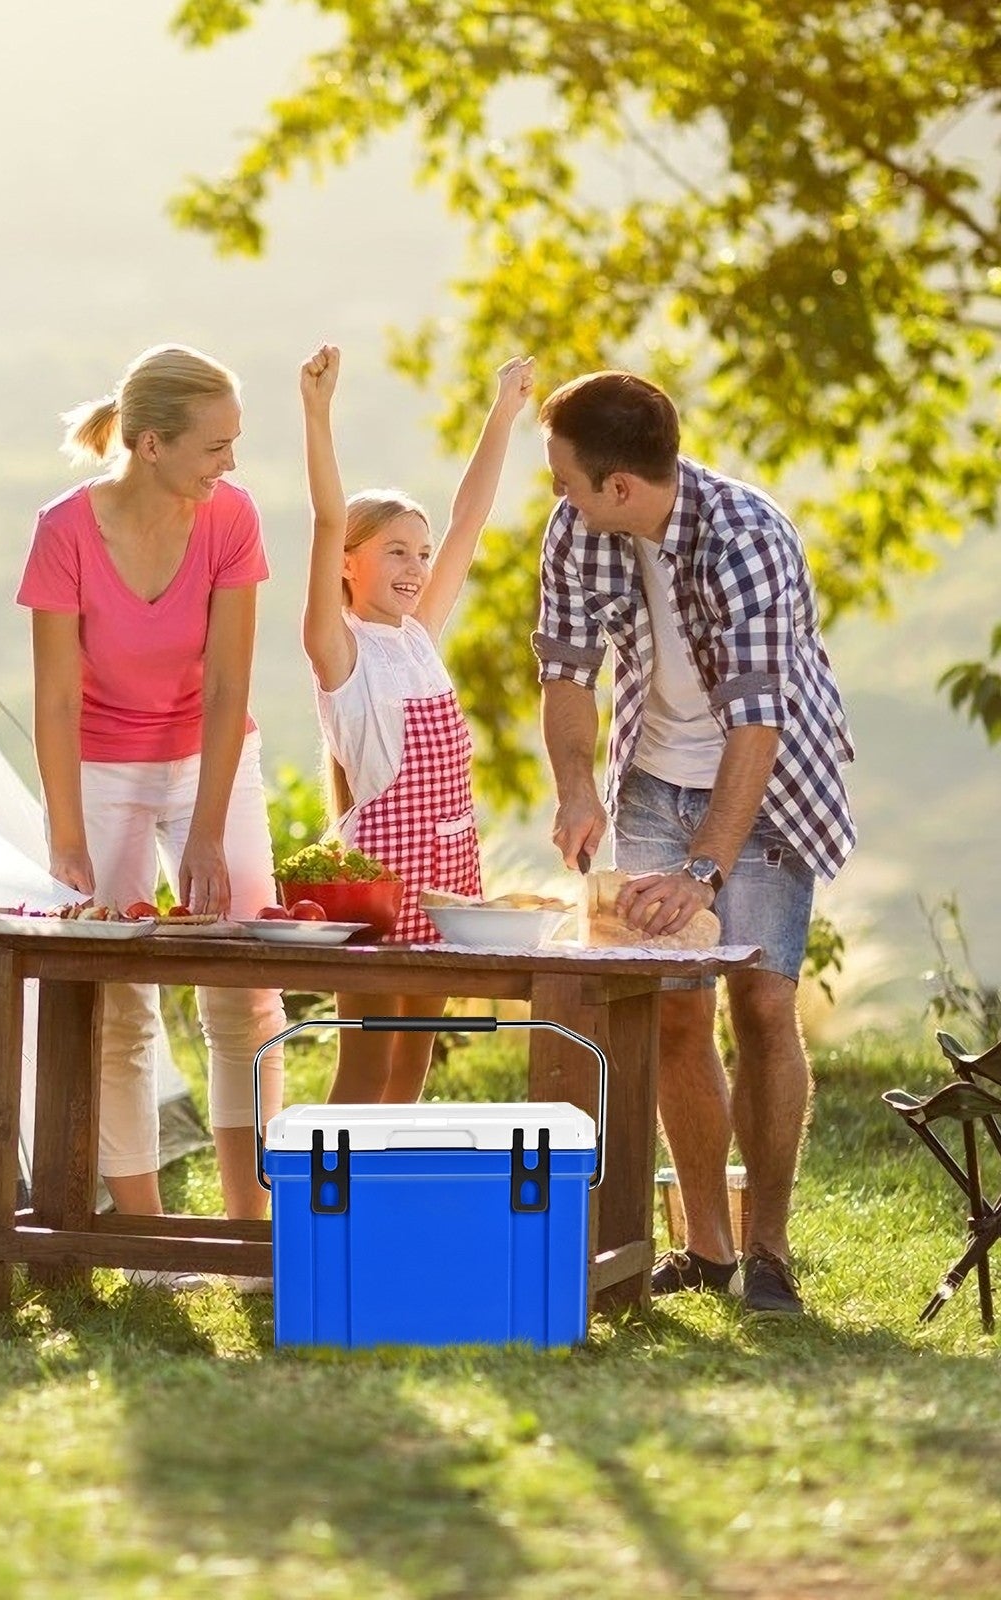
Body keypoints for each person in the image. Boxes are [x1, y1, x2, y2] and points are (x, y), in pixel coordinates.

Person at [532, 370, 856, 1316]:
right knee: (674, 1010)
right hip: (650, 781)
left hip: (765, 787)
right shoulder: (578, 532)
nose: (558, 497)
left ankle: (770, 1251)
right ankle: (708, 1249)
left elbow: (759, 726)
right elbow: (565, 668)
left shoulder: (749, 537)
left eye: (566, 481)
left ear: (620, 488)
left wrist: (703, 869)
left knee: (760, 1005)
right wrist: (578, 786)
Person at [17, 343, 286, 1278]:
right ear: (149, 444)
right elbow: (53, 699)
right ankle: (144, 1238)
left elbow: (227, 681)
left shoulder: (232, 518)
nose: (231, 464)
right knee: (118, 1002)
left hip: (212, 760)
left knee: (245, 993)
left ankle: (253, 1237)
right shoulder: (64, 530)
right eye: (215, 446)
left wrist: (208, 826)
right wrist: (65, 834)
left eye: (234, 443)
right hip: (101, 766)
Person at [299, 342, 534, 1102]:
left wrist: (503, 409)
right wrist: (318, 414)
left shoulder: (419, 638)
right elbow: (326, 515)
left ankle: (384, 1209)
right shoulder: (339, 649)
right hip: (380, 886)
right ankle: (331, 1210)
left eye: (421, 554)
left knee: (411, 1067)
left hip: (448, 881)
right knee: (366, 1065)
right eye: (395, 549)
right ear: (346, 561)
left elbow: (471, 519)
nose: (417, 565)